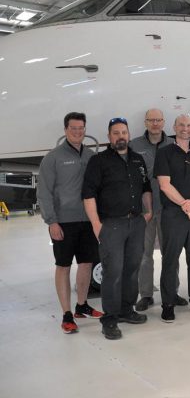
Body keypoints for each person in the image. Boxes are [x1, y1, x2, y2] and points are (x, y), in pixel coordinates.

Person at [82, 118, 152, 339]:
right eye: (116, 133)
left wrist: (148, 211)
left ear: (129, 134)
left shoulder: (138, 160)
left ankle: (126, 310)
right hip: (111, 224)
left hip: (136, 222)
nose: (120, 136)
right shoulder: (98, 161)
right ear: (109, 136)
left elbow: (146, 187)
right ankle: (109, 319)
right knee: (112, 272)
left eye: (124, 132)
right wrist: (96, 223)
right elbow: (88, 194)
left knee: (132, 268)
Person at [37, 112, 103, 334]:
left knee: (86, 264)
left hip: (87, 220)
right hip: (63, 222)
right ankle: (66, 314)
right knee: (63, 266)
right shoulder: (53, 157)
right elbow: (43, 192)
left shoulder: (91, 156)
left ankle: (81, 305)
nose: (78, 132)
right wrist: (51, 221)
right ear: (66, 130)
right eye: (73, 128)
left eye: (81, 128)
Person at [154, 114, 190, 322]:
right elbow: (164, 185)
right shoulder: (164, 153)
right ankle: (168, 304)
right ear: (174, 127)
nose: (185, 128)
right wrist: (185, 205)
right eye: (181, 125)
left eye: (188, 125)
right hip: (173, 215)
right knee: (170, 260)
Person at [130, 109, 185, 312]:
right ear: (145, 122)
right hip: (144, 210)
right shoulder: (134, 146)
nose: (155, 123)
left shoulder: (173, 144)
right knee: (144, 254)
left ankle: (172, 291)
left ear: (164, 122)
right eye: (151, 120)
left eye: (158, 120)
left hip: (169, 208)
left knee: (170, 253)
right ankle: (145, 294)